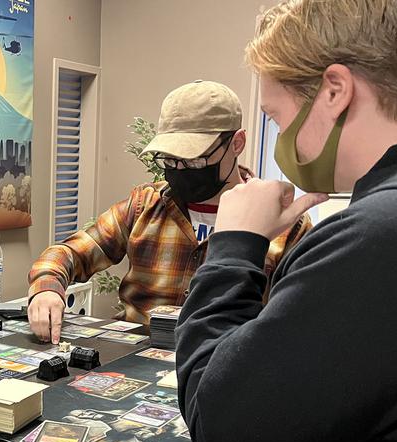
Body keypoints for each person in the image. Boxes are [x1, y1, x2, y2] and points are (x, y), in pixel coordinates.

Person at [175, 1, 397, 442]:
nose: (281, 141)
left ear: (335, 91)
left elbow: (221, 418)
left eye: (278, 119)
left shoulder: (383, 232)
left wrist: (234, 245)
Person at [27, 80, 312, 344]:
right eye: (171, 159)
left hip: (218, 366)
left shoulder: (284, 225)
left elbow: (296, 323)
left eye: (194, 159)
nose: (179, 170)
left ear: (236, 143)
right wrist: (47, 288)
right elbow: (71, 252)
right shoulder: (144, 205)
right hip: (131, 360)